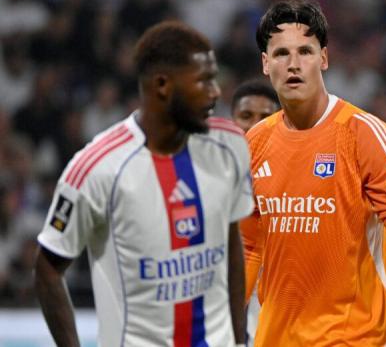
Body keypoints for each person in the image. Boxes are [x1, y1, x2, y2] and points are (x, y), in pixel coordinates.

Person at [34, 21, 252, 346]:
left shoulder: (230, 145)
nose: (217, 92)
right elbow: (48, 268)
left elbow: (233, 245)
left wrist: (238, 340)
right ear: (162, 85)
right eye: (204, 81)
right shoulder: (97, 168)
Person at [241, 0, 386, 346]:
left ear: (323, 59)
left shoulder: (364, 132)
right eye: (282, 54)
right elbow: (250, 247)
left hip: (355, 338)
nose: (293, 64)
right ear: (266, 64)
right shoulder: (254, 143)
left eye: (305, 51)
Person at [229, 78, 279, 346]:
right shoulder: (205, 176)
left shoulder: (299, 178)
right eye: (246, 115)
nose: (255, 123)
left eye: (265, 116)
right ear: (232, 120)